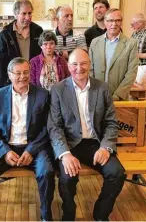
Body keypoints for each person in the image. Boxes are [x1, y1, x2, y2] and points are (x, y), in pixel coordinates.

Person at [48, 48, 126, 221]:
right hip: (70, 145)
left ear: (90, 65)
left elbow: (111, 123)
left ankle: (101, 213)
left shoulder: (102, 88)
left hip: (95, 143)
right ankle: (68, 213)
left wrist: (106, 147)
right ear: (68, 66)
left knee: (117, 173)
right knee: (67, 178)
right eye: (74, 64)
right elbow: (55, 127)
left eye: (83, 63)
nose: (79, 68)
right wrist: (65, 154)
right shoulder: (58, 90)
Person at [0, 57, 55, 221]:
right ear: (10, 75)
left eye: (26, 72)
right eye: (18, 73)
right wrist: (5, 152)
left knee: (47, 172)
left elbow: (47, 129)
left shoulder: (43, 95)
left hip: (34, 147)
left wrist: (31, 150)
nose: (22, 77)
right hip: (5, 147)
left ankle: (46, 216)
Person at [89, 8, 139, 100]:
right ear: (105, 22)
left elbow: (131, 73)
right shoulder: (95, 42)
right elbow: (90, 69)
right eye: (110, 20)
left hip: (119, 97)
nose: (114, 24)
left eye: (118, 20)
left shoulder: (131, 44)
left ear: (121, 22)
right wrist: (94, 91)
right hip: (97, 95)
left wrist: (117, 95)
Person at [0, 0, 43, 84]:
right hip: (14, 81)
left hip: (34, 79)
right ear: (16, 14)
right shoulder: (6, 34)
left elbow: (42, 56)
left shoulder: (38, 31)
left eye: (29, 13)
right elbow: (1, 63)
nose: (27, 17)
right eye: (24, 13)